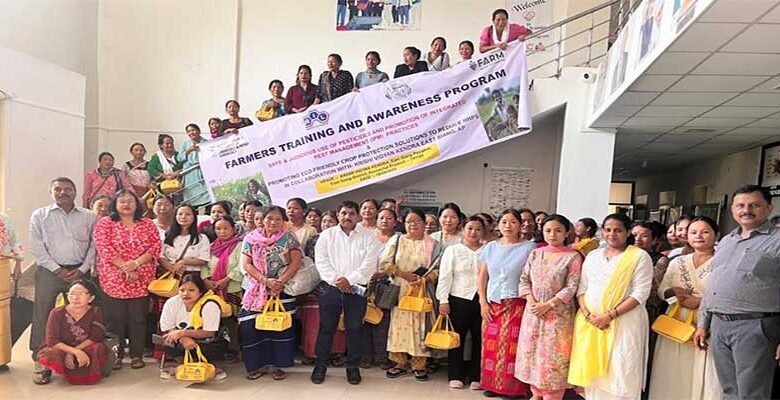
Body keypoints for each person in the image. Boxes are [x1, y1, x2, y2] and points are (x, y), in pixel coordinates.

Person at [694, 185, 780, 399]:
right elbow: (714, 285)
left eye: (754, 205)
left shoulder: (777, 241)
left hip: (755, 326)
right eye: (740, 205)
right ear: (732, 209)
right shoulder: (727, 241)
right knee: (729, 391)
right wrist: (703, 323)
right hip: (719, 325)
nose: (746, 210)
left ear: (769, 208)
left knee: (752, 394)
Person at [567, 214, 653, 400]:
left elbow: (640, 293)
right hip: (591, 323)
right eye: (608, 230)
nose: (612, 234)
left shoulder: (639, 256)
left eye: (618, 230)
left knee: (620, 369)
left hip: (625, 322)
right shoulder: (593, 256)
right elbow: (582, 288)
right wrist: (588, 315)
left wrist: (610, 315)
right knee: (593, 375)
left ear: (628, 232)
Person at [29, 177, 98, 384]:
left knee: (80, 314)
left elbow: (94, 245)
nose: (62, 192)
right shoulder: (40, 215)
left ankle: (74, 354)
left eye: (68, 189)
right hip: (49, 272)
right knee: (43, 313)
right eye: (57, 189)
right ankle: (41, 359)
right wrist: (56, 269)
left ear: (75, 192)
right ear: (51, 193)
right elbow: (36, 246)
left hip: (79, 271)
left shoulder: (89, 216)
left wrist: (83, 269)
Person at [650, 217, 722, 400]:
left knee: (703, 366)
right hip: (676, 320)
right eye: (693, 232)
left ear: (716, 235)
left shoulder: (723, 262)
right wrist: (673, 291)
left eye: (705, 232)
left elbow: (728, 294)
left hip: (707, 321)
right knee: (673, 368)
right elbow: (661, 291)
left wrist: (701, 301)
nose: (699, 236)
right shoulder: (677, 261)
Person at [311, 201, 382, 385]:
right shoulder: (326, 235)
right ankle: (320, 366)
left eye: (351, 213)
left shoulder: (369, 236)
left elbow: (369, 265)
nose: (347, 217)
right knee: (326, 328)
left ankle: (352, 367)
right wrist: (337, 280)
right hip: (330, 288)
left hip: (356, 289)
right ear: (338, 214)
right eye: (343, 213)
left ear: (357, 216)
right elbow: (321, 261)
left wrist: (349, 281)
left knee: (355, 329)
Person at [515, 215, 583, 400]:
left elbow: (572, 286)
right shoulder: (536, 253)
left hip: (558, 316)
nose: (553, 234)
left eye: (558, 230)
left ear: (566, 233)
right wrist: (532, 302)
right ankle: (536, 394)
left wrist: (549, 304)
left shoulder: (573, 256)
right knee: (533, 354)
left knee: (553, 357)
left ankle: (552, 395)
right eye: (548, 230)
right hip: (533, 313)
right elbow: (524, 280)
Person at [93, 189, 160, 370]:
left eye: (130, 201)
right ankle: (116, 355)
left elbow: (155, 246)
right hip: (113, 278)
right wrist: (125, 267)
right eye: (122, 201)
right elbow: (104, 248)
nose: (126, 204)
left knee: (138, 318)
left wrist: (135, 264)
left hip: (141, 277)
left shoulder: (147, 223)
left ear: (137, 204)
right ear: (115, 204)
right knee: (115, 320)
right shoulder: (105, 223)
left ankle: (137, 355)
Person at [477, 208, 536, 398]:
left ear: (520, 225)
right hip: (493, 303)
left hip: (517, 303)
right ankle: (492, 384)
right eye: (504, 222)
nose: (508, 226)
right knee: (490, 345)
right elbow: (482, 277)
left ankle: (512, 389)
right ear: (498, 225)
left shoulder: (529, 248)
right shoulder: (491, 247)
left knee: (513, 347)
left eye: (513, 222)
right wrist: (482, 302)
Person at [241, 206, 301, 381]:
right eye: (269, 218)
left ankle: (277, 366)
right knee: (250, 326)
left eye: (277, 219)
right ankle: (256, 366)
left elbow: (296, 262)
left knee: (278, 327)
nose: (273, 222)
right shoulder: (251, 238)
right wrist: (265, 281)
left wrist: (279, 282)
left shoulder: (289, 237)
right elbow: (246, 264)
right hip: (256, 289)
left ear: (283, 221)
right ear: (263, 219)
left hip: (282, 288)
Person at [382, 209, 442, 381]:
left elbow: (439, 269)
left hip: (421, 291)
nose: (413, 225)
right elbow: (384, 264)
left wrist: (425, 279)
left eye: (417, 221)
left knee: (420, 327)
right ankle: (399, 363)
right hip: (400, 290)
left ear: (424, 224)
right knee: (398, 326)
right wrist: (403, 274)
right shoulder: (397, 240)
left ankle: (419, 364)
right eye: (409, 221)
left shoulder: (433, 244)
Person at [437, 216, 486, 390]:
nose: (474, 232)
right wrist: (443, 300)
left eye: (478, 229)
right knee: (457, 338)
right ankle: (455, 374)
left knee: (480, 339)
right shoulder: (453, 250)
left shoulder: (488, 250)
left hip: (482, 300)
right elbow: (445, 276)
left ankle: (476, 375)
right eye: (470, 228)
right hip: (458, 299)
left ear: (483, 232)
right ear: (463, 230)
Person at [37, 280, 110, 385]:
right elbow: (52, 340)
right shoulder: (57, 313)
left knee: (98, 348)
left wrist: (76, 351)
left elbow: (95, 337)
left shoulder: (96, 311)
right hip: (62, 347)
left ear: (91, 298)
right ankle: (46, 370)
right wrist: (74, 352)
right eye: (72, 294)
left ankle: (88, 370)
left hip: (85, 347)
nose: (75, 298)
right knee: (52, 352)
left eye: (81, 294)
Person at [159, 274, 228, 380]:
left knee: (209, 347)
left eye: (191, 290)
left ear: (200, 292)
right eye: (182, 290)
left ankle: (208, 366)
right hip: (182, 338)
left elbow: (209, 332)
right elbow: (168, 327)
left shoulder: (209, 304)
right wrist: (183, 338)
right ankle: (184, 365)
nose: (186, 294)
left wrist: (182, 333)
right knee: (167, 340)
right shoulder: (172, 302)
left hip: (209, 339)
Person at [201, 216, 244, 362]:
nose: (222, 231)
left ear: (233, 229)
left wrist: (226, 279)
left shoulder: (240, 245)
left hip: (232, 288)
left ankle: (234, 349)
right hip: (212, 289)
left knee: (232, 320)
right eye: (218, 228)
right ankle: (216, 349)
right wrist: (206, 280)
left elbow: (241, 266)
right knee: (214, 319)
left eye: (226, 228)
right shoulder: (211, 247)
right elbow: (204, 265)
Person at [361, 207, 398, 370]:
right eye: (381, 218)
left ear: (395, 222)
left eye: (389, 218)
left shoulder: (399, 239)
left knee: (384, 321)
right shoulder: (367, 237)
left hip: (387, 284)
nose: (385, 221)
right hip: (365, 282)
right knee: (364, 319)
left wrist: (382, 273)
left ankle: (382, 357)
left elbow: (400, 262)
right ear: (376, 220)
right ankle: (366, 357)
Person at [160, 204, 210, 277]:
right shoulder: (166, 236)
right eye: (180, 214)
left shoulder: (201, 238)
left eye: (188, 214)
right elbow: (160, 256)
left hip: (192, 276)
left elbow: (203, 259)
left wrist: (183, 262)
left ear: (194, 217)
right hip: (169, 275)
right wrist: (172, 268)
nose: (183, 217)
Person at [176, 123, 211, 208]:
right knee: (191, 199)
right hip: (190, 175)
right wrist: (188, 151)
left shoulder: (206, 142)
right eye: (188, 131)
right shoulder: (185, 144)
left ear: (198, 131)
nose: (191, 133)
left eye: (193, 130)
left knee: (207, 196)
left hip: (203, 172)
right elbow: (179, 158)